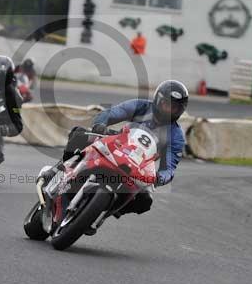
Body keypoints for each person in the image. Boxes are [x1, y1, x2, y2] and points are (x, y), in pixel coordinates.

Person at [41, 80, 188, 217]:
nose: (169, 110)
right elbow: (113, 113)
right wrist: (101, 124)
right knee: (79, 134)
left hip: (141, 165)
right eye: (166, 104)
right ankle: (57, 170)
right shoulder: (141, 106)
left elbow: (169, 167)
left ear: (180, 111)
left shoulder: (176, 136)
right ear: (158, 100)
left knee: (145, 201)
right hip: (118, 143)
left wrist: (160, 177)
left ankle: (107, 211)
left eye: (174, 108)